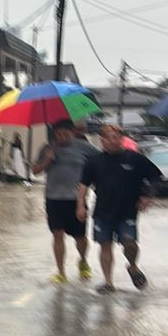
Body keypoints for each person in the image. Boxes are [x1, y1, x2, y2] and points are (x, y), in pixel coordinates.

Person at [77, 124, 162, 293]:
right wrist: (80, 206)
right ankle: (108, 282)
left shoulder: (134, 159)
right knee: (105, 245)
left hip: (128, 211)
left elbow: (155, 176)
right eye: (107, 138)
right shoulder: (94, 161)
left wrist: (147, 196)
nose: (111, 141)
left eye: (115, 137)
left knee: (129, 244)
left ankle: (132, 266)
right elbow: (83, 185)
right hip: (102, 211)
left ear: (121, 139)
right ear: (102, 141)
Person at [32, 120, 99, 283]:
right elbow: (35, 171)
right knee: (57, 234)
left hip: (76, 200)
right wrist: (47, 160)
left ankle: (83, 261)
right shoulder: (47, 148)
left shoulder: (85, 147)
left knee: (80, 237)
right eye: (58, 134)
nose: (61, 137)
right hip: (53, 198)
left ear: (73, 132)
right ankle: (61, 272)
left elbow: (100, 165)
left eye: (65, 134)